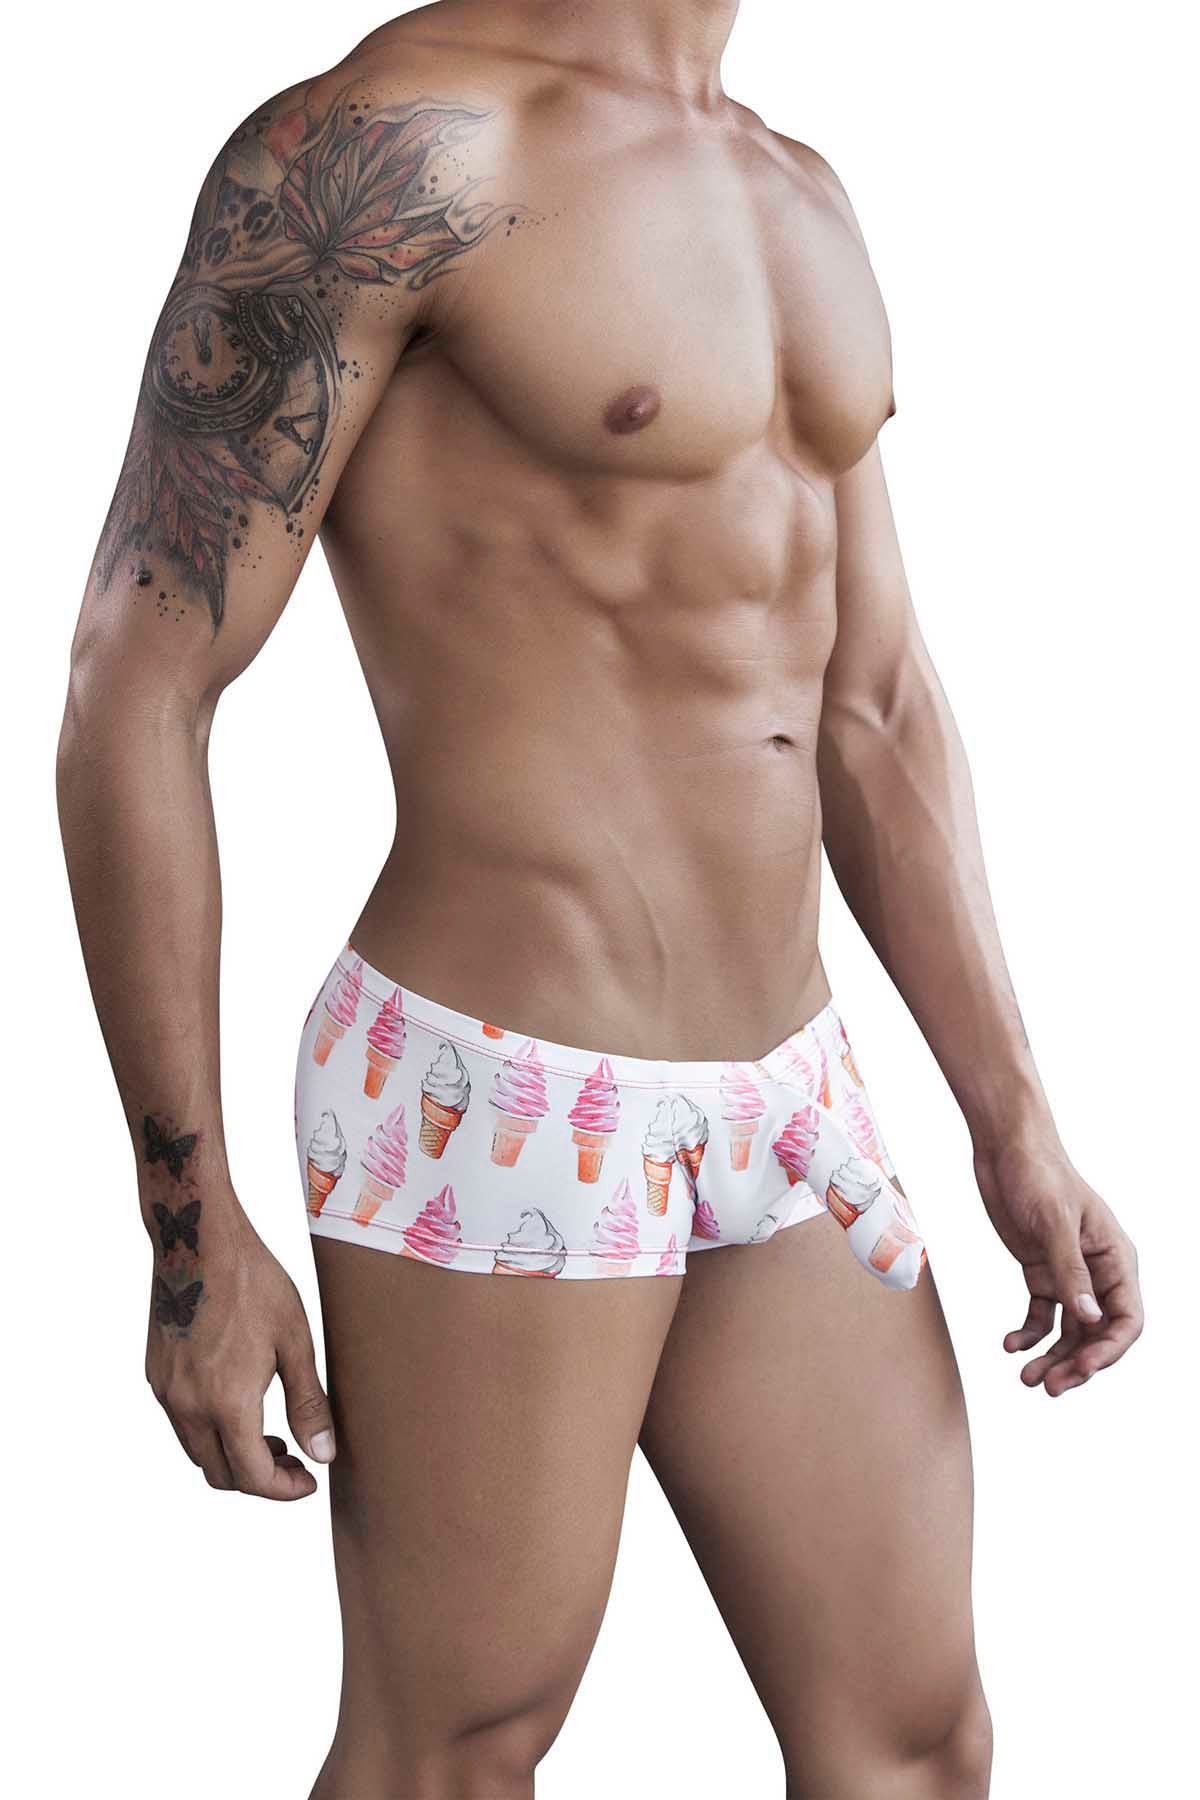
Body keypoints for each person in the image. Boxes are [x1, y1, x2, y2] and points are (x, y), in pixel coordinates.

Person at [57, 3, 1144, 1795]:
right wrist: (189, 1231)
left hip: (787, 1094)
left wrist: (1011, 1113)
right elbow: (137, 685)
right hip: (496, 1082)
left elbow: (872, 702)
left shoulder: (797, 187)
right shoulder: (391, 149)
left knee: (916, 1746)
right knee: (457, 1747)